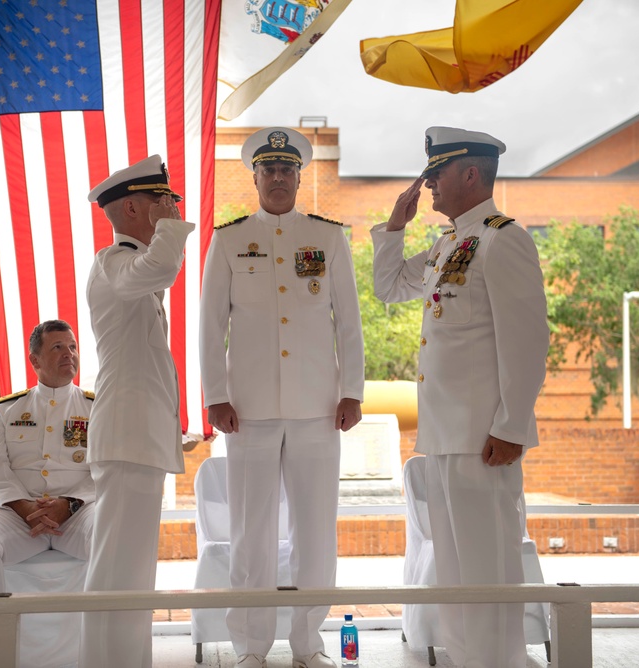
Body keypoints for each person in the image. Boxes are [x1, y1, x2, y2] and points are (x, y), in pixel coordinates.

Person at [370, 127, 549, 668]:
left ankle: (499, 662)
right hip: (446, 435)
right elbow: (389, 286)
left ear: (470, 174)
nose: (428, 187)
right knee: (453, 571)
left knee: (488, 565)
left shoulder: (502, 237)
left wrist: (512, 425)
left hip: (483, 437)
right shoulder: (450, 243)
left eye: (436, 174)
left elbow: (527, 339)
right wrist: (394, 229)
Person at [200, 127, 365, 668]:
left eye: (286, 170)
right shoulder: (228, 239)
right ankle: (251, 644)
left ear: (299, 176)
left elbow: (349, 324)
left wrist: (352, 390)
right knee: (251, 532)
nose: (277, 178)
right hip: (248, 411)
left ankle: (308, 643)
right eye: (268, 170)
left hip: (319, 407)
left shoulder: (329, 237)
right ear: (254, 177)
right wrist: (216, 395)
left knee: (317, 529)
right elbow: (210, 327)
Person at [79, 154, 195, 668]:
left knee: (130, 566)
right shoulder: (115, 261)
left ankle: (124, 660)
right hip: (126, 438)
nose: (170, 206)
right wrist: (173, 228)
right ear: (132, 208)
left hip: (137, 437)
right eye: (160, 200)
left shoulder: (132, 267)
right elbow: (163, 268)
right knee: (117, 567)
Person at [0, 319, 95, 596]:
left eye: (73, 347)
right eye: (57, 347)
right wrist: (26, 509)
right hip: (19, 517)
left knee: (111, 530)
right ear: (35, 360)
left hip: (79, 514)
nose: (69, 353)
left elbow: (106, 469)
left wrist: (70, 504)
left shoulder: (96, 408)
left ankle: (101, 633)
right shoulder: (5, 410)